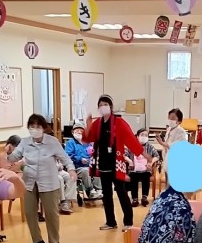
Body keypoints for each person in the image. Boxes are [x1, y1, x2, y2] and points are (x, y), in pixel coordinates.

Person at [5, 114, 77, 243]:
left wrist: (71, 169)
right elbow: (14, 158)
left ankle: (54, 240)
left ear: (44, 128)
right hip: (29, 181)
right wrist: (8, 153)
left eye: (38, 127)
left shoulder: (52, 142)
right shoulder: (25, 142)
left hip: (48, 181)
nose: (35, 129)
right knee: (29, 212)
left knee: (51, 213)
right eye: (32, 127)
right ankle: (37, 240)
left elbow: (65, 158)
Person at [84, 95, 144, 231]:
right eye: (100, 105)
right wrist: (88, 125)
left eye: (105, 104)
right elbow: (88, 138)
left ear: (111, 107)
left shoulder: (119, 122)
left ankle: (128, 222)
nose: (103, 107)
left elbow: (130, 138)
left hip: (116, 163)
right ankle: (111, 222)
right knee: (106, 194)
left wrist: (143, 153)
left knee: (121, 192)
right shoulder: (97, 123)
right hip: (103, 163)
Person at [64, 122, 102, 201]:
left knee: (97, 168)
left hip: (89, 165)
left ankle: (99, 190)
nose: (79, 132)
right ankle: (90, 190)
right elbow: (68, 156)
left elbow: (92, 152)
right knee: (85, 171)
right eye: (77, 130)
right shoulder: (70, 143)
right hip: (77, 167)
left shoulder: (87, 143)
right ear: (72, 132)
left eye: (81, 130)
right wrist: (80, 159)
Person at [126, 129, 159, 207]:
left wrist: (151, 162)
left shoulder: (150, 147)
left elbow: (157, 156)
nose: (144, 137)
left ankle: (144, 198)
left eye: (146, 135)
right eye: (142, 135)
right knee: (133, 179)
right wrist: (130, 161)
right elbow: (124, 155)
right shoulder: (131, 145)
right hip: (134, 170)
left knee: (146, 177)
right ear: (137, 136)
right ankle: (135, 199)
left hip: (145, 170)